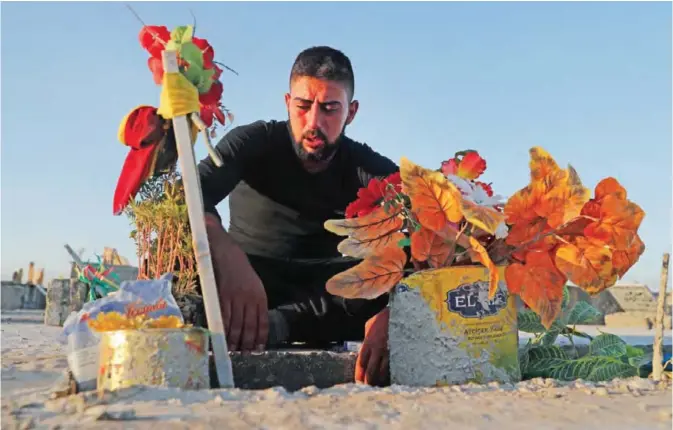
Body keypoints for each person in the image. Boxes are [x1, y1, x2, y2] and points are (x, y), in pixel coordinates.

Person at [198, 46, 397, 386]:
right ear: (288, 102)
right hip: (250, 286)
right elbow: (186, 195)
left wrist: (396, 315)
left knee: (370, 292)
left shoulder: (368, 168)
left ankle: (282, 324)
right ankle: (267, 318)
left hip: (328, 299)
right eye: (303, 106)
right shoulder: (252, 142)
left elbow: (425, 233)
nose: (313, 123)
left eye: (330, 109)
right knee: (187, 290)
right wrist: (226, 253)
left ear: (351, 112)